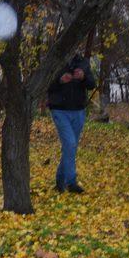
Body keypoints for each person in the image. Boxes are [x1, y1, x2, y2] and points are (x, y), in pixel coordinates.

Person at [47, 54, 96, 193]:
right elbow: (44, 85)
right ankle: (71, 182)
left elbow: (92, 84)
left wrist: (83, 77)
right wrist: (60, 80)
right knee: (70, 144)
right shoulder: (54, 60)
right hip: (60, 110)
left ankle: (59, 181)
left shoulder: (83, 62)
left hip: (79, 111)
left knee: (70, 147)